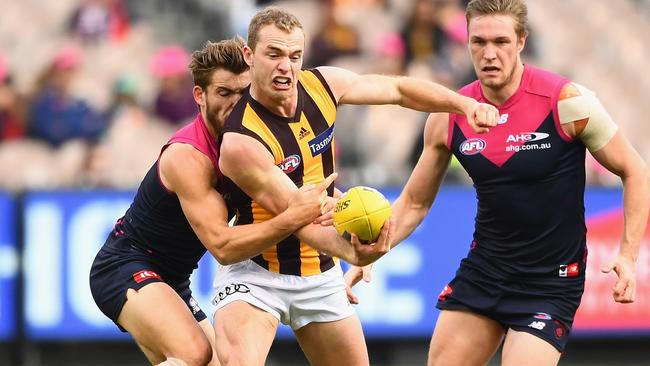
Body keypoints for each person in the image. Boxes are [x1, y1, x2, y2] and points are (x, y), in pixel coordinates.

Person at [213, 7, 499, 366]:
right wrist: (354, 253)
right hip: (258, 275)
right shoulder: (241, 142)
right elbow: (297, 216)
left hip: (319, 275)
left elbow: (397, 89)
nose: (285, 66)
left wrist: (464, 104)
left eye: (294, 56)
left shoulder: (322, 84)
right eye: (274, 54)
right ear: (249, 56)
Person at [389, 0, 650, 365]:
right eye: (478, 42)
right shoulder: (450, 115)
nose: (489, 53)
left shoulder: (566, 102)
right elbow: (414, 204)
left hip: (550, 282)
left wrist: (627, 254)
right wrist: (372, 250)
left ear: (521, 41)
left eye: (501, 41)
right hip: (485, 273)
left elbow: (635, 170)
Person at [89, 38, 338, 366]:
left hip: (175, 279)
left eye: (243, 93)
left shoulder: (253, 145)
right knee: (195, 354)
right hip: (125, 266)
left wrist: (353, 252)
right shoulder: (188, 157)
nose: (236, 103)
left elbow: (310, 198)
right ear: (199, 95)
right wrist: (292, 218)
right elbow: (222, 245)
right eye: (224, 92)